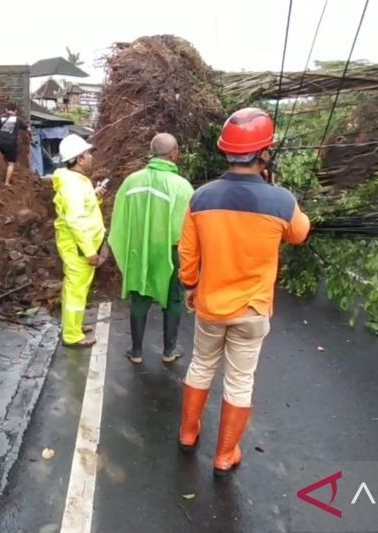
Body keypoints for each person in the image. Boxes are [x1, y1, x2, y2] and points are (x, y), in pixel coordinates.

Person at [177, 108, 311, 476]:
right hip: (252, 310)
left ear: (226, 151)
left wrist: (190, 285)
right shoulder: (282, 201)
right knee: (239, 379)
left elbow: (187, 251)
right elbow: (300, 234)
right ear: (264, 153)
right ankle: (224, 455)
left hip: (211, 305)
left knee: (201, 364)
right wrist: (276, 190)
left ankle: (189, 433)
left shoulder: (201, 197)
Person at [108, 133, 194, 364]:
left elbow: (119, 220)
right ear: (174, 153)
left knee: (140, 297)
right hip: (170, 252)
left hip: (138, 250)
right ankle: (169, 351)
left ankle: (136, 352)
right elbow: (184, 229)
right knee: (173, 299)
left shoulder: (131, 182)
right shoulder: (182, 186)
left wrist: (128, 246)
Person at [51, 134, 107, 347]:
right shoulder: (73, 184)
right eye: (88, 153)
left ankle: (73, 325)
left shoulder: (74, 181)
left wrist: (96, 194)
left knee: (77, 287)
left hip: (78, 243)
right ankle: (72, 336)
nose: (91, 156)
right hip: (79, 246)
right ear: (79, 158)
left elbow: (80, 207)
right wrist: (90, 251)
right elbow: (75, 219)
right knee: (76, 289)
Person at [0, 103, 33, 186]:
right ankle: (7, 182)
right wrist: (31, 137)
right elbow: (29, 129)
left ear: (6, 110)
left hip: (0, 142)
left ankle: (8, 172)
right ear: (15, 111)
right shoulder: (18, 120)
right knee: (11, 163)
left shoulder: (0, 118)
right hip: (11, 143)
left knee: (5, 156)